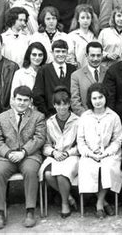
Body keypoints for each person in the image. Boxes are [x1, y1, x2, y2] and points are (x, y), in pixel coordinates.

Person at [0, 86, 46, 230]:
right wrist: (8, 153)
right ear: (13, 100)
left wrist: (23, 152)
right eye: (19, 99)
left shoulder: (38, 116)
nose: (21, 103)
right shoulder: (1, 118)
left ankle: (30, 211)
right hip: (7, 156)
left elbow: (39, 138)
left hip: (29, 155)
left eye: (25, 100)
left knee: (30, 171)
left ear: (30, 101)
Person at [77, 83, 122, 219]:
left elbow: (117, 140)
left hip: (109, 153)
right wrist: (90, 153)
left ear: (106, 98)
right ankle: (104, 202)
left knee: (107, 167)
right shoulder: (85, 116)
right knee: (88, 167)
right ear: (90, 100)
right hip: (89, 154)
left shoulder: (113, 116)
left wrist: (106, 153)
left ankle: (98, 203)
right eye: (94, 98)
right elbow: (80, 141)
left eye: (100, 97)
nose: (98, 101)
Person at [39, 86, 80, 218]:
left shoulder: (78, 121)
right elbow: (45, 145)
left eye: (65, 105)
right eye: (58, 105)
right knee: (48, 174)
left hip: (71, 156)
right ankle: (68, 197)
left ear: (69, 104)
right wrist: (53, 153)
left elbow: (82, 145)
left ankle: (64, 204)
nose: (62, 108)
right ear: (54, 105)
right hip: (55, 155)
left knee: (62, 174)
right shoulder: (49, 122)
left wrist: (69, 153)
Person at [33, 40, 76, 117]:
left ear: (67, 53)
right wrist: (47, 114)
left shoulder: (73, 69)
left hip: (70, 115)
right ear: (52, 52)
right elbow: (37, 95)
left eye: (63, 51)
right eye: (57, 51)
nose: (61, 54)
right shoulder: (43, 70)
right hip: (49, 115)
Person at [70, 41, 106, 116]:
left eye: (98, 55)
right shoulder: (76, 75)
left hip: (106, 117)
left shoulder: (108, 72)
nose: (95, 59)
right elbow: (75, 101)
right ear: (86, 55)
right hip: (86, 118)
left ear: (102, 55)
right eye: (92, 55)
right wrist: (87, 117)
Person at [67, 4, 99, 68]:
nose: (85, 20)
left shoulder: (95, 35)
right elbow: (69, 55)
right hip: (78, 71)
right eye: (82, 18)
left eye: (88, 18)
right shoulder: (72, 36)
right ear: (78, 19)